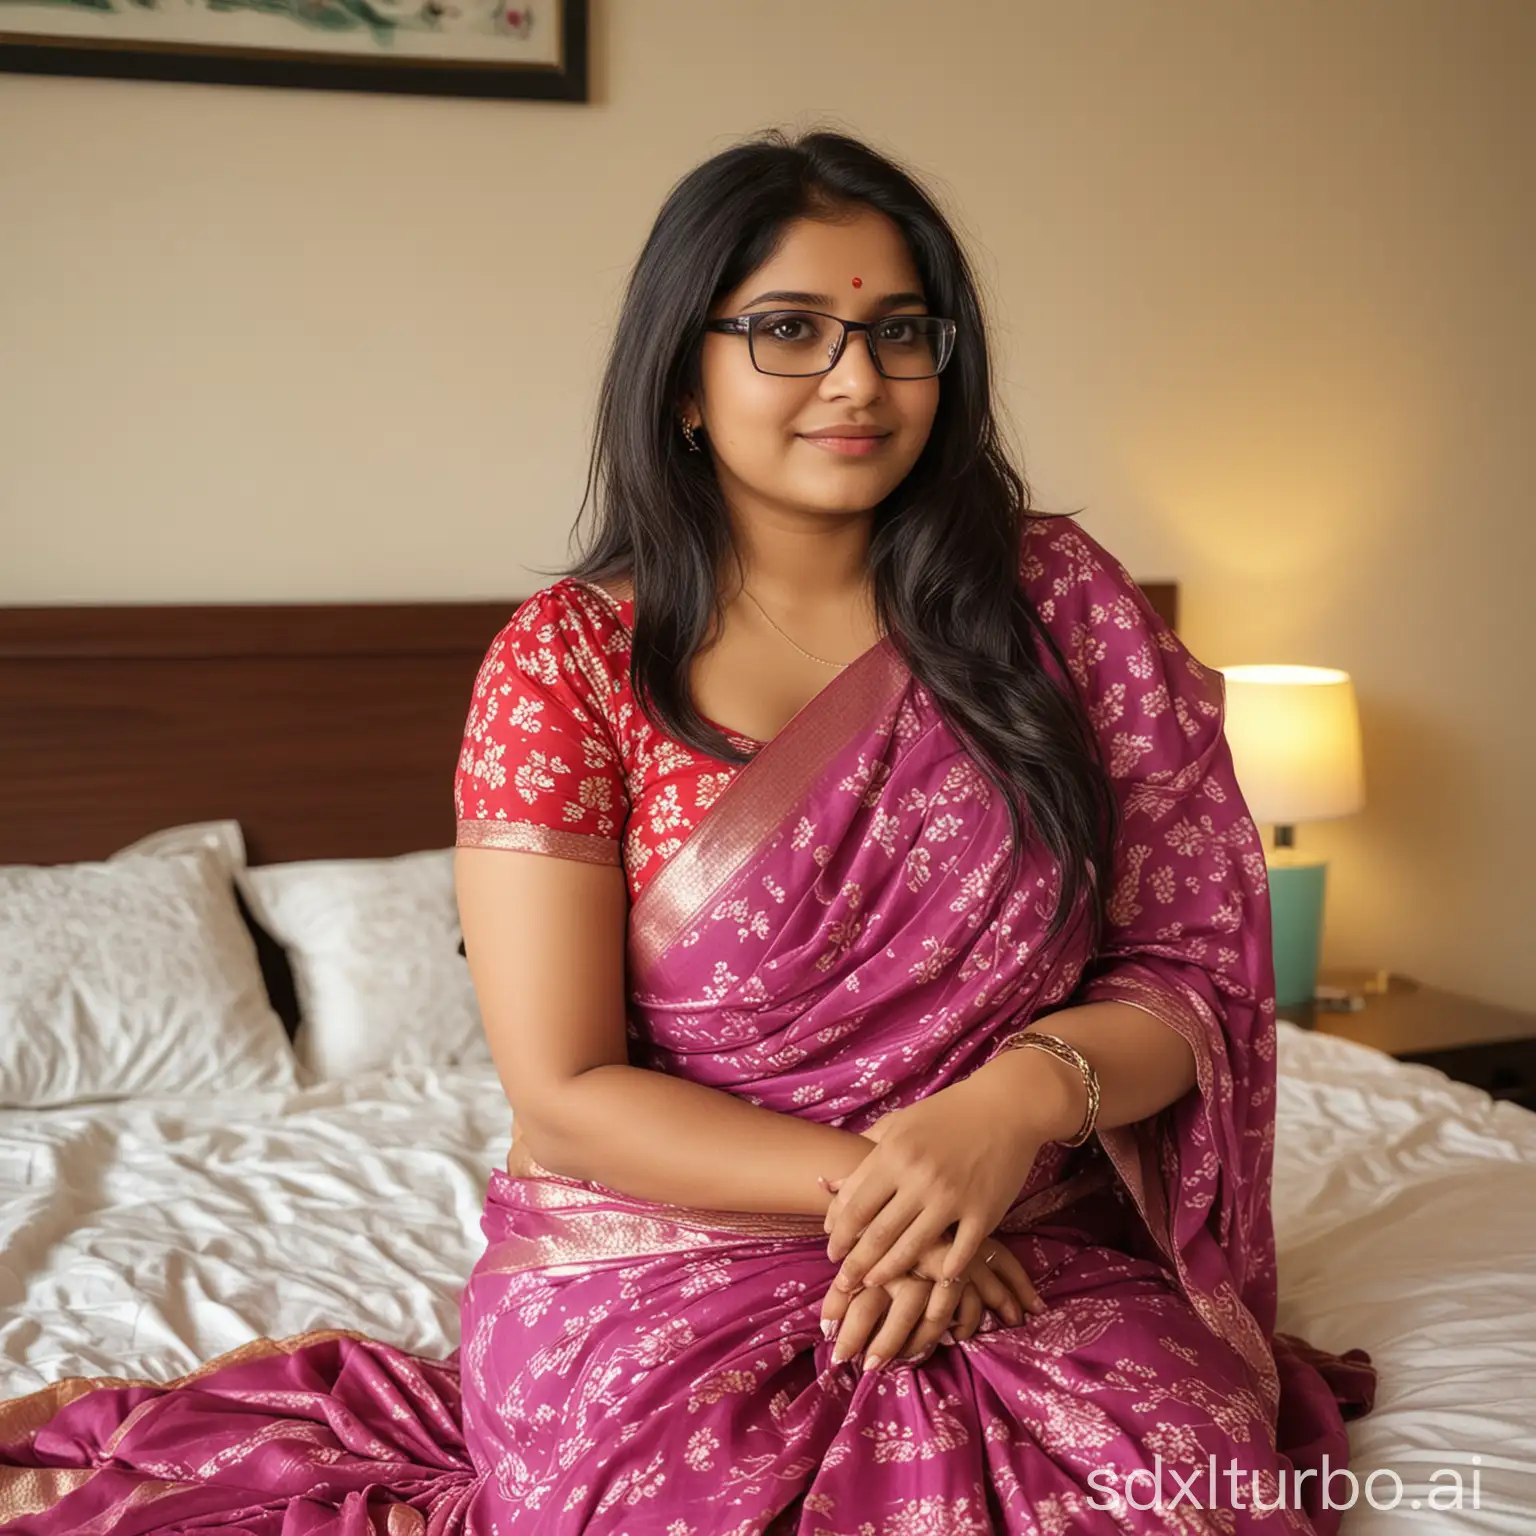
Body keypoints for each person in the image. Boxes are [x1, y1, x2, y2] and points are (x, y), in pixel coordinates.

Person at [0, 126, 1375, 1535]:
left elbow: (1190, 971)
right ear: (683, 385)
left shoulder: (1061, 613)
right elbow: (569, 1088)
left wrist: (1004, 1112)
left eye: (901, 331)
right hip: (660, 1256)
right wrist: (895, 1189)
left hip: (1025, 1225)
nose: (858, 380)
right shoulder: (569, 668)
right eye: (790, 330)